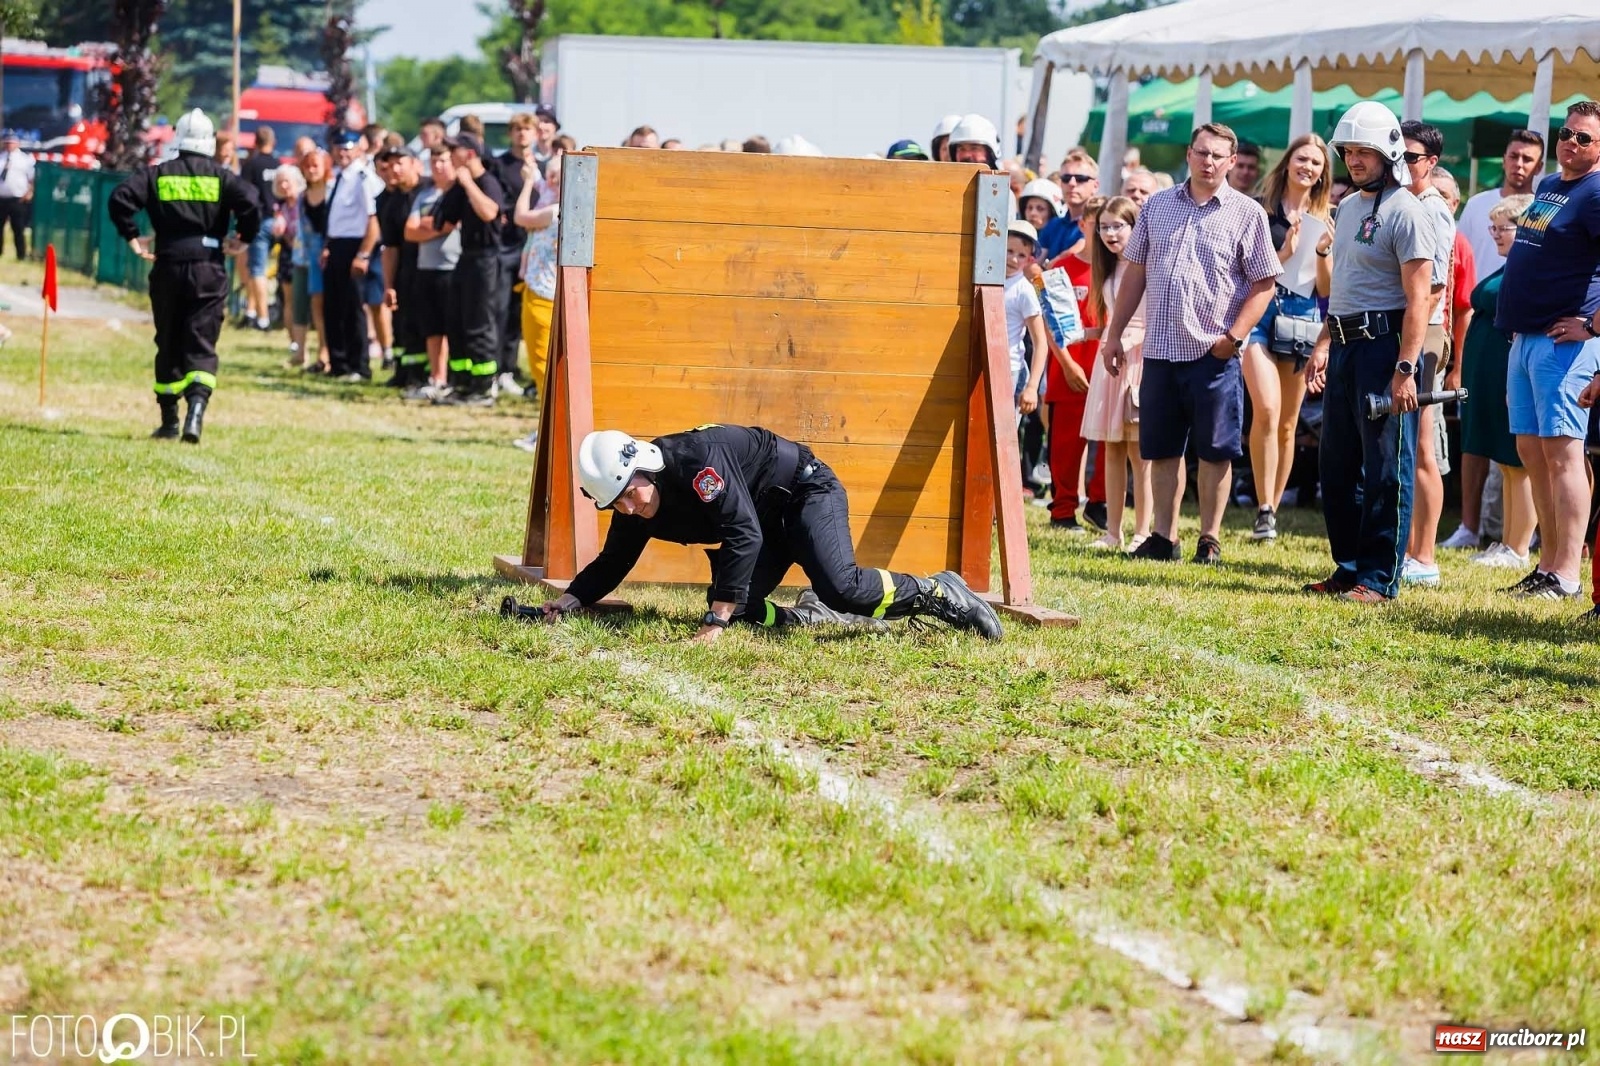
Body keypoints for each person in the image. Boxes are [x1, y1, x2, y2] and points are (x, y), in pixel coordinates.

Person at [539, 426, 1003, 642]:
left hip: (804, 492)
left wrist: (716, 623)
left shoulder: (698, 463)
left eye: (628, 495)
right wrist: (570, 599)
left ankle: (936, 592)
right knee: (734, 600)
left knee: (842, 587)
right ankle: (804, 619)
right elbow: (615, 559)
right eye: (615, 503)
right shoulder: (632, 497)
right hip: (762, 516)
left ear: (644, 468)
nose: (627, 507)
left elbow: (742, 534)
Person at [1102, 122, 1280, 564]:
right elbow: (1135, 275)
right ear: (1188, 153)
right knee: (1161, 448)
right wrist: (1114, 334)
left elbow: (1264, 284)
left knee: (1215, 449)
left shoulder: (1247, 213)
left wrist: (1234, 338)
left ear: (1232, 161)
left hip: (1212, 352)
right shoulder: (1157, 206)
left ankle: (1210, 537)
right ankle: (1163, 536)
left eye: (1218, 155)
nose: (1208, 161)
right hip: (1159, 348)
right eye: (1202, 152)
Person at [1304, 101, 1435, 603]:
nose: (1355, 160)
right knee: (1336, 463)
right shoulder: (1350, 206)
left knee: (1385, 468)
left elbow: (1420, 298)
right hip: (1342, 344)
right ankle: (1349, 566)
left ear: (1390, 153)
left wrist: (1406, 368)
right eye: (1350, 151)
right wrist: (1323, 342)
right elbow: (1345, 287)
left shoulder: (1408, 211)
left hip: (1385, 349)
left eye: (1365, 152)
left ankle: (1380, 578)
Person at [1495, 100, 1600, 605]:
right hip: (1525, 336)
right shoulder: (1551, 186)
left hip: (1564, 343)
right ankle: (1547, 565)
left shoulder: (1598, 191)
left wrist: (1594, 325)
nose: (1571, 143)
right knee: (1531, 452)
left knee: (1563, 454)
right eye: (1567, 133)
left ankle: (1568, 575)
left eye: (1585, 138)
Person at [107, 108, 260, 444]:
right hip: (208, 266)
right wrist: (243, 238)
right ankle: (196, 412)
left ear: (177, 139)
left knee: (169, 339)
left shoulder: (157, 175)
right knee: (201, 340)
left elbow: (120, 198)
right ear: (209, 142)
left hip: (168, 263)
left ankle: (169, 422)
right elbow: (250, 201)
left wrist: (132, 234)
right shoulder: (221, 177)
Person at [1242, 133, 1335, 542]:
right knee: (1265, 408)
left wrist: (1319, 252)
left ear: (1322, 173)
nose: (1308, 167)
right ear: (1288, 162)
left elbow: (1328, 289)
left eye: (1316, 163)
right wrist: (1283, 254)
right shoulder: (1259, 212)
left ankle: (1271, 513)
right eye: (1302, 159)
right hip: (1261, 312)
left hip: (1302, 315)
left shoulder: (1328, 218)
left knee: (1287, 424)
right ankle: (1263, 505)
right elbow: (1246, 272)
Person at [1458, 195, 1537, 571]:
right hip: (1490, 375)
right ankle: (1507, 540)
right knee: (1504, 463)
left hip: (1511, 373)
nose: (1494, 235)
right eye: (1492, 227)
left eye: (1501, 227)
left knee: (1516, 460)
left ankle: (1519, 547)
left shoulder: (1528, 270)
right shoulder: (1509, 266)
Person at [1397, 121, 1459, 588]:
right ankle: (1409, 548)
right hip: (1409, 327)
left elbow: (1435, 285)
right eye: (1399, 154)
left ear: (1432, 162)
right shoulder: (1406, 202)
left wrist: (1414, 337)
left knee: (1422, 445)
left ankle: (1425, 554)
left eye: (1413, 157)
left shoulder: (1433, 208)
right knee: (1407, 441)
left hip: (1427, 330)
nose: (1404, 163)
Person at [1082, 195, 1152, 551]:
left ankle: (1143, 531)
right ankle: (1113, 532)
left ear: (1134, 227)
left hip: (1138, 362)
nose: (1110, 234)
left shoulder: (1147, 266)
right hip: (1110, 363)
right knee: (1110, 449)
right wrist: (1094, 334)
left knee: (1140, 454)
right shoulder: (1107, 269)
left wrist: (1126, 339)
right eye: (1104, 227)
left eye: (1118, 226)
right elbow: (1111, 320)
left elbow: (1152, 319)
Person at [1041, 201, 1101, 532]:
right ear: (1084, 225)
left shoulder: (1123, 268)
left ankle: (1099, 504)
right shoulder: (1062, 267)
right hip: (1070, 372)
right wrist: (1065, 364)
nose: (1106, 231)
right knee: (1065, 447)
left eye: (1113, 224)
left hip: (1106, 371)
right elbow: (1050, 323)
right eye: (1098, 223)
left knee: (1109, 444)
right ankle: (1062, 509)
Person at [436, 132, 508, 405]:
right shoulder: (461, 185)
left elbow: (490, 212)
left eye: (454, 152)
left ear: (468, 154)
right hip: (465, 258)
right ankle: (462, 383)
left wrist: (467, 184)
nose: (449, 157)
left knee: (479, 322)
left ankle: (483, 386)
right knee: (458, 321)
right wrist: (453, 186)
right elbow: (443, 221)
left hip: (486, 260)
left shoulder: (487, 182)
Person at [322, 129, 383, 382]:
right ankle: (339, 364)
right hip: (337, 244)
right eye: (338, 148)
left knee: (353, 308)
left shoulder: (363, 177)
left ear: (358, 149)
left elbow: (373, 220)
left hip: (355, 245)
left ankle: (359, 365)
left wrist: (364, 254)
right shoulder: (338, 176)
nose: (342, 153)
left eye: (347, 148)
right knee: (333, 307)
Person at [403, 146, 460, 402]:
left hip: (452, 267)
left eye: (443, 161)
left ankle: (449, 379)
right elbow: (410, 232)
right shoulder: (423, 195)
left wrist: (431, 225)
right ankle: (435, 377)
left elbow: (452, 225)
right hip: (426, 268)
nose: (438, 166)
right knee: (432, 328)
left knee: (451, 328)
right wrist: (439, 227)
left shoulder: (457, 194)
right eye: (434, 161)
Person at [511, 153, 560, 450]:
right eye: (549, 174)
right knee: (539, 365)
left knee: (542, 367)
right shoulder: (554, 206)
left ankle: (549, 434)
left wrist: (528, 182)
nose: (550, 180)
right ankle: (545, 431)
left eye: (556, 176)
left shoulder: (554, 211)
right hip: (539, 291)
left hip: (543, 294)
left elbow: (520, 217)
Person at [492, 113, 540, 397]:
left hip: (535, 248)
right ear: (510, 133)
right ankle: (499, 369)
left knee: (522, 313)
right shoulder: (500, 164)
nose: (522, 134)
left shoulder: (544, 165)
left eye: (527, 129)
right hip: (507, 247)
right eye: (517, 129)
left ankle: (512, 369)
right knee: (502, 308)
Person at [1457, 130, 1545, 281]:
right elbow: (1459, 257)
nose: (1518, 164)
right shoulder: (1476, 204)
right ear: (1504, 160)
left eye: (1527, 159)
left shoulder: (1542, 212)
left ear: (1539, 167)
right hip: (1475, 301)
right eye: (1514, 156)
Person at [374, 146, 428, 389]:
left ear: (415, 164)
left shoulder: (429, 191)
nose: (394, 169)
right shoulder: (388, 201)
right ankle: (404, 373)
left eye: (399, 163)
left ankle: (424, 375)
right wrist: (389, 285)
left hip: (431, 267)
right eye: (389, 164)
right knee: (402, 324)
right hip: (405, 269)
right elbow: (391, 247)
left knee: (425, 323)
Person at [1005, 220, 1050, 421]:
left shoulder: (1024, 291)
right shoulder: (987, 281)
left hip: (1011, 370)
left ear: (1030, 259)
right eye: (1009, 251)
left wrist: (1032, 387)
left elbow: (1041, 343)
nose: (1014, 259)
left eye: (1021, 255)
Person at [295, 148, 332, 373]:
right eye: (307, 166)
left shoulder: (333, 192)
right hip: (311, 256)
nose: (311, 170)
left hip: (331, 252)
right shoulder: (302, 197)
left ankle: (330, 352)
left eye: (315, 165)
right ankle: (322, 351)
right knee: (316, 305)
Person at [237, 125, 278, 331]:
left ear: (255, 142)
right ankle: (251, 311)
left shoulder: (251, 165)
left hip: (259, 221)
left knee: (256, 270)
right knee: (258, 268)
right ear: (273, 142)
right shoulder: (278, 164)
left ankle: (263, 319)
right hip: (277, 222)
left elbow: (245, 196)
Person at [0, 130, 36, 259]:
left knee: (18, 228)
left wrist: (29, 192)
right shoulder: (1, 157)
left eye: (12, 142)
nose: (9, 144)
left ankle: (21, 254)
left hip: (17, 199)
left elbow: (31, 178)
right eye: (7, 142)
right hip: (1, 198)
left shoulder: (24, 159)